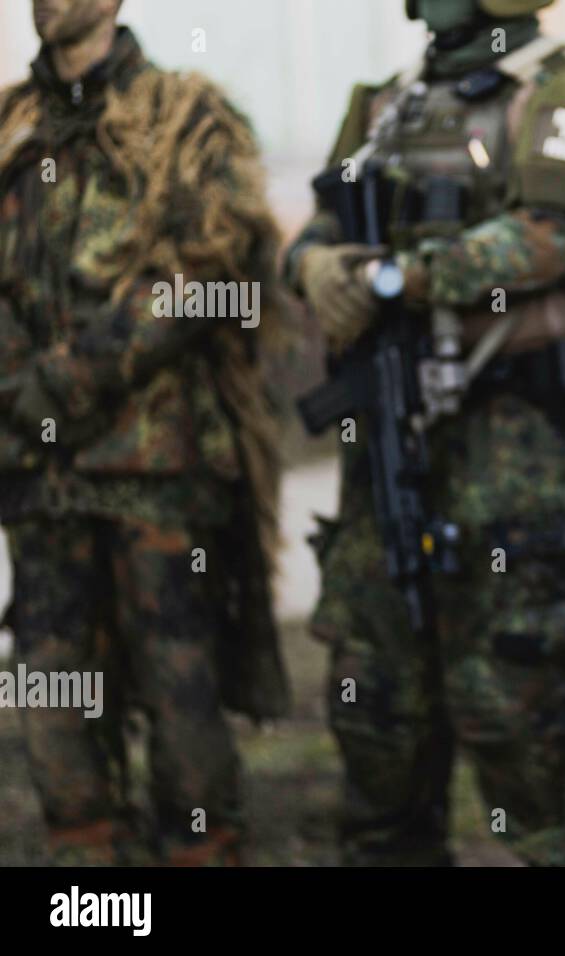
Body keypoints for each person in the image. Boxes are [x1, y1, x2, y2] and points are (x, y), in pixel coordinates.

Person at [286, 0, 565, 866]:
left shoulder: (561, 85)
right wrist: (307, 262)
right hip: (384, 424)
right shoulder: (389, 101)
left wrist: (398, 277)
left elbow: (555, 235)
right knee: (376, 699)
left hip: (508, 434)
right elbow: (324, 221)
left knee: (512, 693)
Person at [0, 0, 287, 865]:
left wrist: (72, 378)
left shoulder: (187, 114)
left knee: (179, 691)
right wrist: (19, 384)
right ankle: (93, 889)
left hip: (156, 463)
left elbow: (210, 267)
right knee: (52, 690)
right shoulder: (13, 126)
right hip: (37, 464)